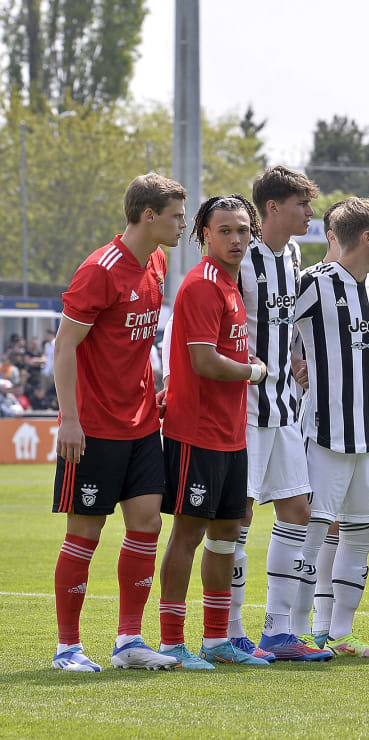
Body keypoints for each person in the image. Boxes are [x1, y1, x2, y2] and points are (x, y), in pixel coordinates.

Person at [49, 174, 186, 672]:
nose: (182, 225)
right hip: (95, 427)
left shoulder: (157, 262)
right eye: (175, 215)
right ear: (148, 216)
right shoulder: (99, 270)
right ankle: (68, 648)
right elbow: (65, 347)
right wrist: (70, 420)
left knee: (147, 524)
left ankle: (129, 641)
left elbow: (138, 343)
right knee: (85, 533)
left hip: (143, 424)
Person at [157, 194, 271, 669]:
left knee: (228, 532)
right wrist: (253, 372)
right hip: (196, 431)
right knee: (188, 533)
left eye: (243, 230)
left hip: (231, 432)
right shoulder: (203, 284)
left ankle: (218, 640)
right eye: (225, 230)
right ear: (203, 233)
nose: (236, 239)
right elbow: (204, 361)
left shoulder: (230, 283)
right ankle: (170, 643)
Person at [228, 166, 331, 662]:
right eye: (302, 204)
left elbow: (283, 324)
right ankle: (228, 632)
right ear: (272, 207)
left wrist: (294, 357)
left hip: (286, 406)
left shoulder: (293, 256)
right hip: (245, 408)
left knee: (298, 511)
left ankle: (277, 631)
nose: (310, 213)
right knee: (238, 518)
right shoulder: (239, 256)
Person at [292, 197, 369, 658]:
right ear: (368, 237)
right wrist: (294, 361)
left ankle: (340, 633)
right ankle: (295, 633)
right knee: (310, 535)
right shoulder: (314, 282)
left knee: (359, 535)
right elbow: (275, 332)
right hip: (324, 433)